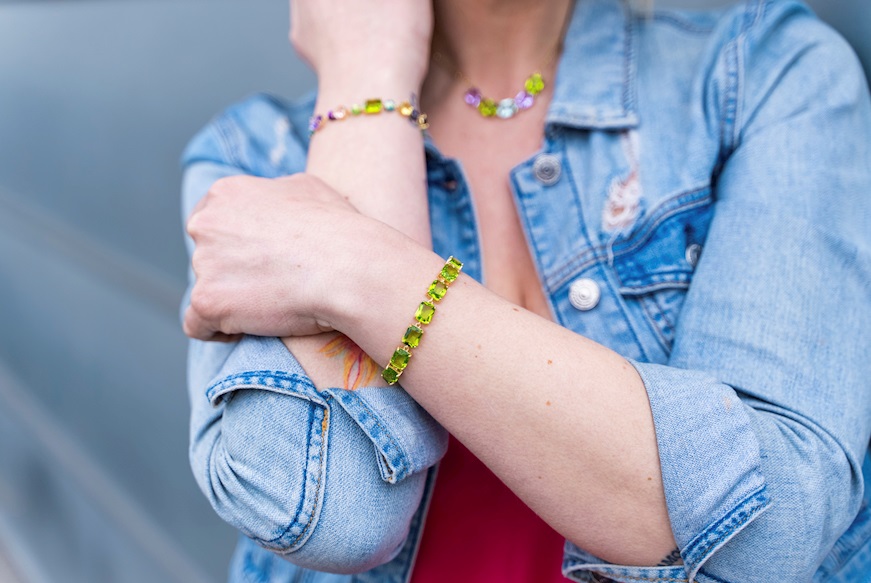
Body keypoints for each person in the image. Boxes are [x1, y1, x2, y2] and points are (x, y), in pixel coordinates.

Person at [180, 0, 871, 580]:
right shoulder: (255, 157)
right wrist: (364, 78)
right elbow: (332, 512)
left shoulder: (760, 75)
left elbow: (767, 527)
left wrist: (352, 267)